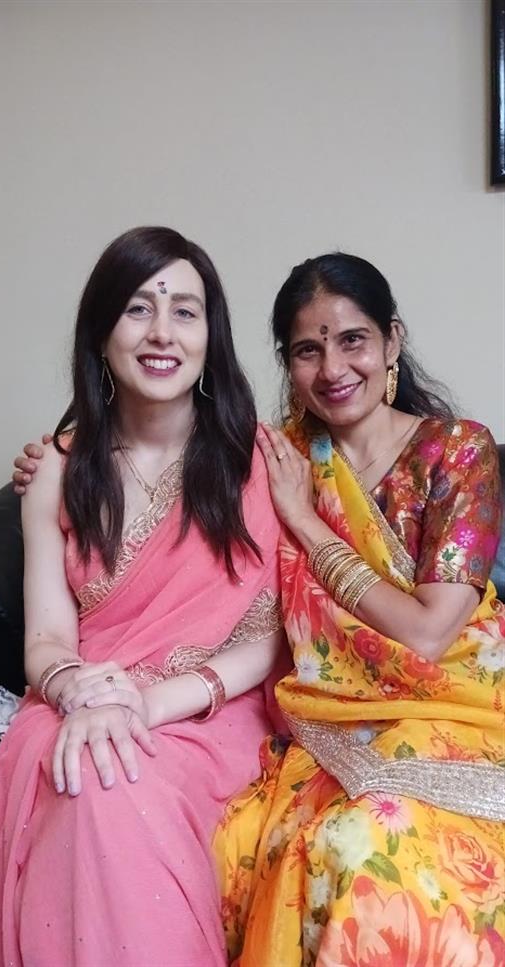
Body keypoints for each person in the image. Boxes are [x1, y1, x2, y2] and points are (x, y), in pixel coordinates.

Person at [0, 226, 286, 967]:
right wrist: (79, 688)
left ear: (212, 334)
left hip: (210, 708)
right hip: (82, 695)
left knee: (111, 778)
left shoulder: (259, 459)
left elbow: (267, 635)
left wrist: (150, 703)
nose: (162, 332)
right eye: (138, 308)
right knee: (78, 766)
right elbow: (46, 636)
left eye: (185, 310)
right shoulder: (57, 469)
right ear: (101, 330)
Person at [213, 253, 505, 965]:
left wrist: (307, 527)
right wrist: (60, 459)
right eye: (306, 349)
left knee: (373, 836)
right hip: (330, 721)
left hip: (453, 710)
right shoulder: (276, 459)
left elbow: (430, 632)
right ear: (287, 363)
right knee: (265, 843)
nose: (332, 367)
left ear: (391, 343)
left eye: (352, 339)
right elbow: (158, 463)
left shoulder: (458, 452)